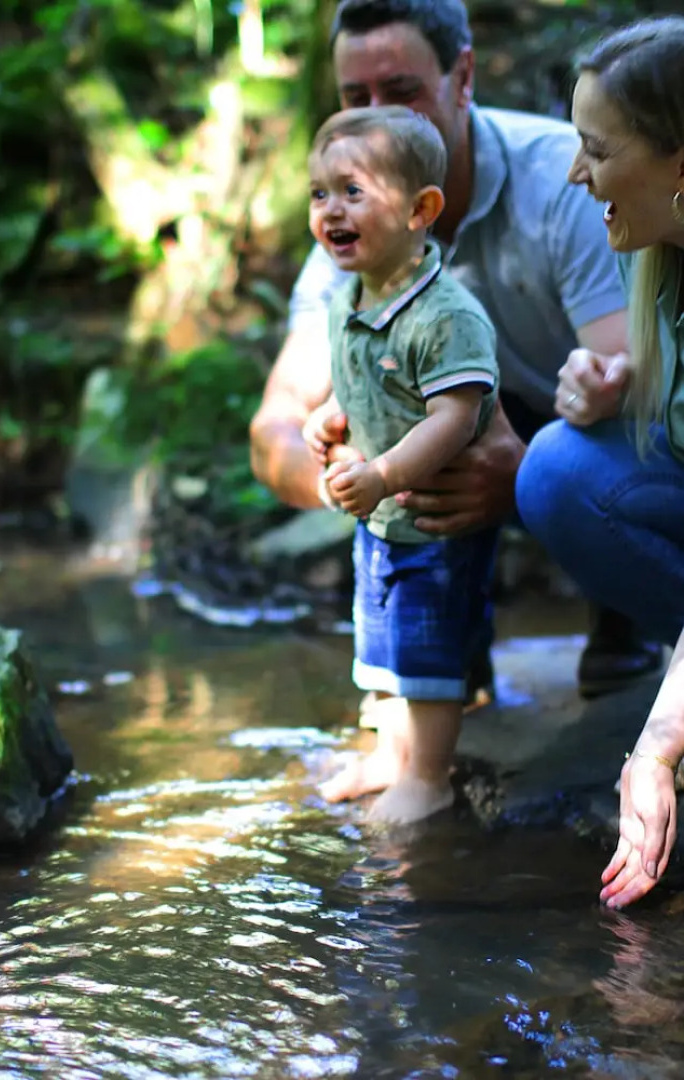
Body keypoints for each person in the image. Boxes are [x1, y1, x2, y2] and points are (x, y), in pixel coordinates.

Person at [249, 0, 659, 703]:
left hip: (573, 435)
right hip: (448, 448)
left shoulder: (562, 184)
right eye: (355, 97)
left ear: (463, 76)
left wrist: (525, 477)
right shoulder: (349, 237)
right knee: (416, 437)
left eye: (401, 90)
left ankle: (628, 618)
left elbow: (636, 388)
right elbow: (273, 431)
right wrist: (351, 479)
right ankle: (446, 667)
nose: (379, 116)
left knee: (558, 450)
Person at [515, 16, 684, 908]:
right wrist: (622, 387)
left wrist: (657, 748)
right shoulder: (652, 248)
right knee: (558, 468)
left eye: (598, 150)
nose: (577, 173)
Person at [304, 105, 499, 822]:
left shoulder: (445, 317)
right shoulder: (347, 298)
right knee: (381, 639)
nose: (331, 210)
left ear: (421, 211)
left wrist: (384, 474)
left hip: (437, 520)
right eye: (320, 193)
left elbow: (455, 416)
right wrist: (331, 413)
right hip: (381, 522)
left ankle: (429, 775)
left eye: (352, 192)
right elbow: (359, 378)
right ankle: (391, 755)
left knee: (429, 651)